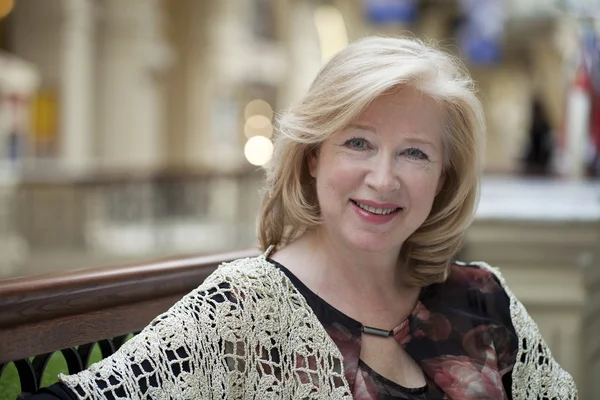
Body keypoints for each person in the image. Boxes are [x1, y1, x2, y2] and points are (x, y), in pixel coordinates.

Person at [32, 36, 577, 399]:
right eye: (358, 143)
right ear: (314, 156)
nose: (383, 179)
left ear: (444, 177)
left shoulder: (484, 298)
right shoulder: (244, 308)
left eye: (414, 153)